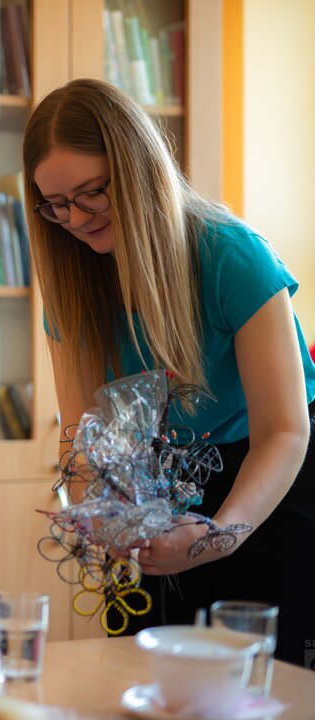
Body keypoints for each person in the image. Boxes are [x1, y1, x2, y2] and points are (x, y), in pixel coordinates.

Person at [22, 78, 315, 665]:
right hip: (154, 494)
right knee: (144, 678)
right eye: (54, 204)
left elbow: (285, 431)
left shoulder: (233, 255)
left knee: (263, 684)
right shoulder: (76, 283)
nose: (74, 219)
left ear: (136, 170)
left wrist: (217, 536)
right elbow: (81, 435)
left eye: (91, 193)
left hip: (268, 485)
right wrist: (96, 511)